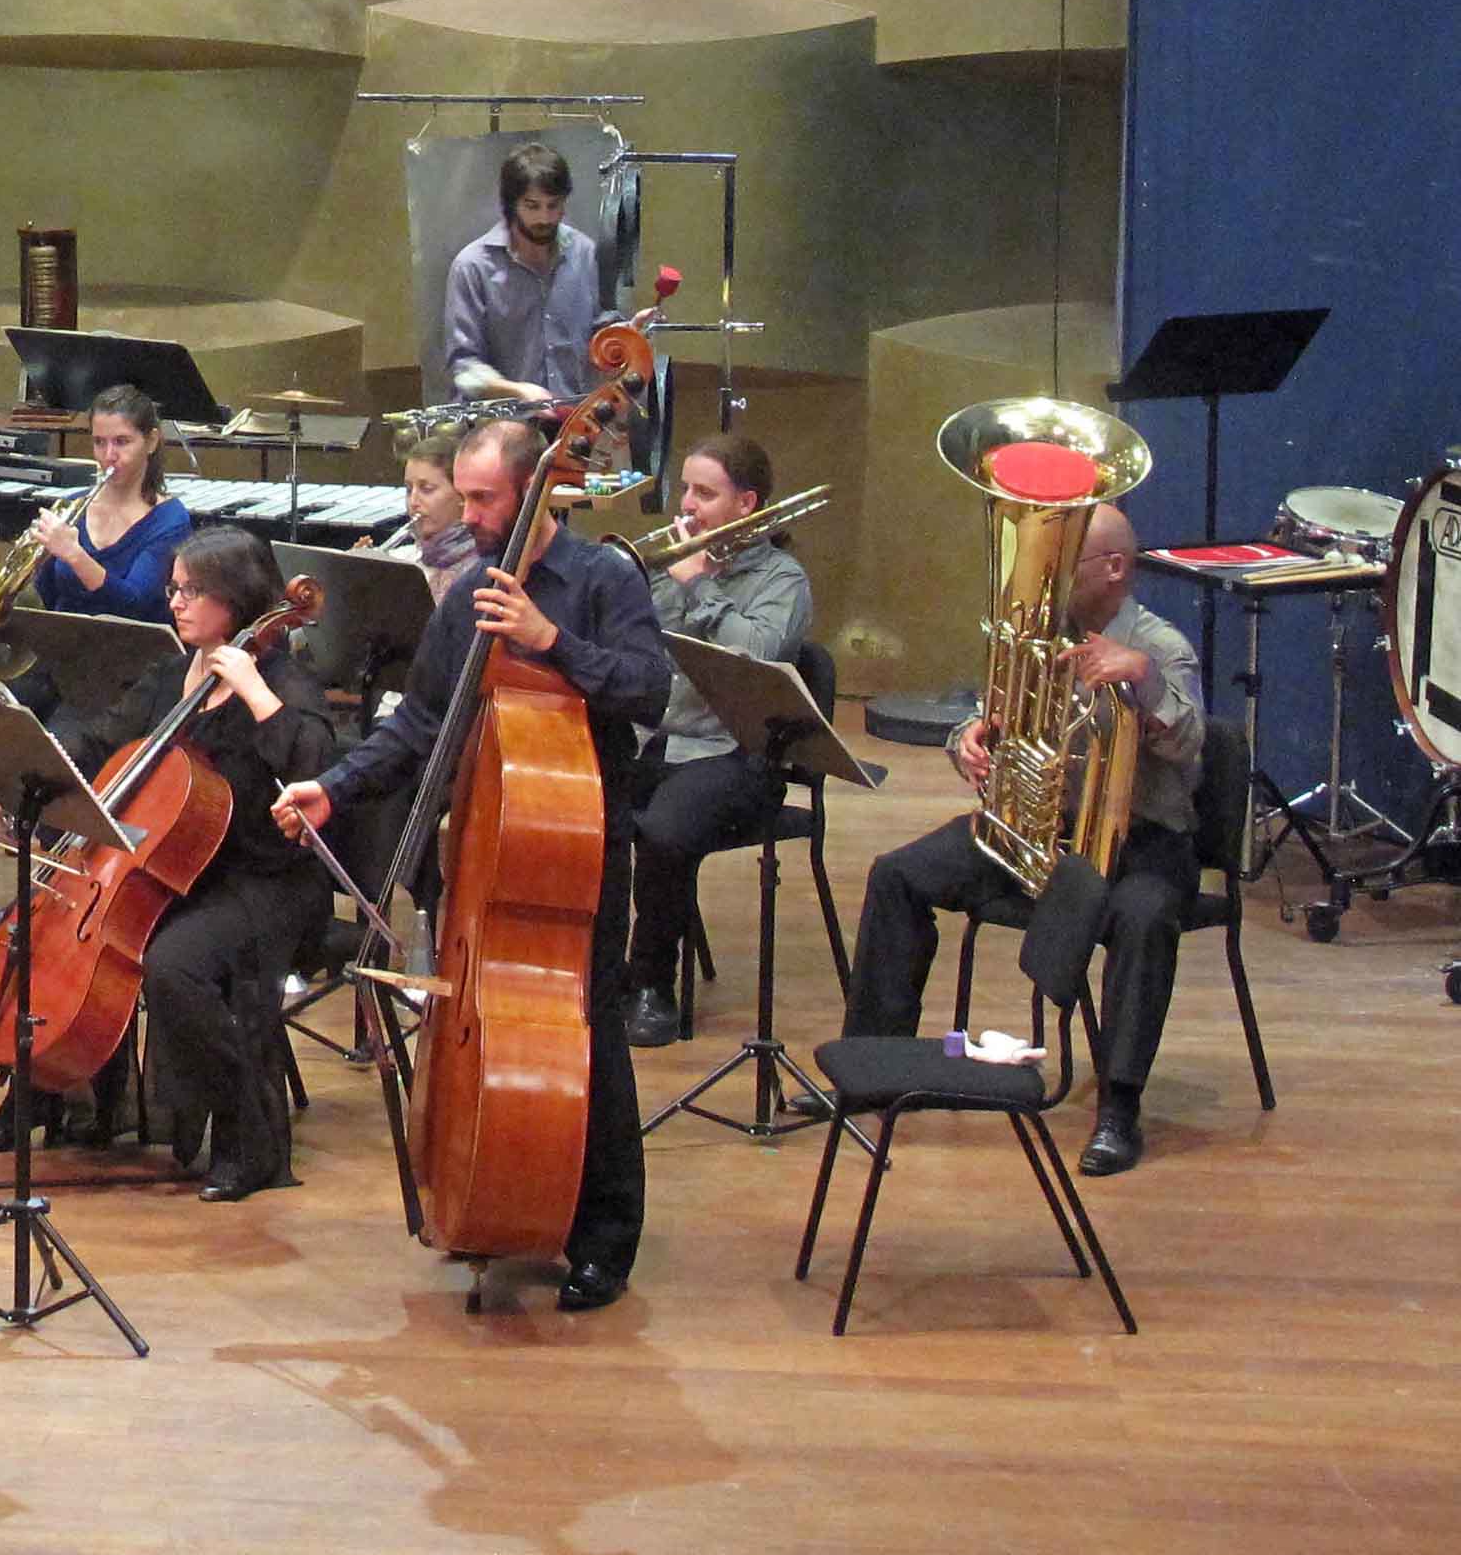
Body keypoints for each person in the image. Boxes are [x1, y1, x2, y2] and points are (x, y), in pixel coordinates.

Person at [273, 418, 667, 1313]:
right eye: (465, 495)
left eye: (485, 499)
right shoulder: (466, 599)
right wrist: (335, 787)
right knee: (489, 1018)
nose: (468, 515)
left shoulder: (602, 580)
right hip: (491, 841)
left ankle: (605, 1236)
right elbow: (421, 722)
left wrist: (550, 639)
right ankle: (502, 1188)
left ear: (537, 493)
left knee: (590, 1028)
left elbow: (650, 691)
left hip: (582, 837)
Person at [0, 526, 340, 1199]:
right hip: (171, 871)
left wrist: (255, 693)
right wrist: (12, 783)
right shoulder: (172, 674)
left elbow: (315, 768)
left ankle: (247, 1137)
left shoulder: (284, 679)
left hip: (263, 878)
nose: (177, 602)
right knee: (39, 934)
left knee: (175, 967)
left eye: (194, 590)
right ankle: (42, 1096)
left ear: (239, 598)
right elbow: (98, 737)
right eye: (174, 588)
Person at [844, 502, 1199, 1178]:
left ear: (1114, 568)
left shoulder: (1161, 646)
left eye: (1066, 562)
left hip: (1141, 842)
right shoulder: (1040, 639)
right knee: (898, 874)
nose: (1048, 576)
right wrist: (968, 742)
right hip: (1043, 832)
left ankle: (1119, 1109)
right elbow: (991, 716)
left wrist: (1142, 677)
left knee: (1146, 919)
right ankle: (873, 1067)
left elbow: (1189, 744)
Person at [619, 433, 816, 1048]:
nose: (686, 504)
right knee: (575, 808)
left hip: (736, 754)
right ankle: (596, 969)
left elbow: (755, 653)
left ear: (746, 503)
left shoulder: (783, 579)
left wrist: (697, 586)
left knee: (663, 832)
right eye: (685, 489)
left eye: (704, 493)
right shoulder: (670, 564)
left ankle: (651, 983)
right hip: (655, 738)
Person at [14, 384, 196, 623]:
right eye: (99, 442)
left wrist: (74, 555)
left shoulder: (169, 521)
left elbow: (135, 605)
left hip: (135, 643)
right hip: (64, 639)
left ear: (151, 441)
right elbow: (46, 595)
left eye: (122, 441)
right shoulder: (71, 508)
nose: (109, 455)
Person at [442, 142, 607, 406]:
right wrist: (516, 391)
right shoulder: (473, 266)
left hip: (575, 417)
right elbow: (463, 367)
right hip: (504, 419)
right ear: (511, 205)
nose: (545, 218)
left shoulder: (585, 253)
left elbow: (602, 333)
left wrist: (629, 335)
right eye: (532, 206)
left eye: (553, 205)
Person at [381, 432, 482, 596]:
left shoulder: (483, 568)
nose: (413, 501)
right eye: (408, 489)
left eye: (427, 489)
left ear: (462, 494)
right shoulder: (403, 559)